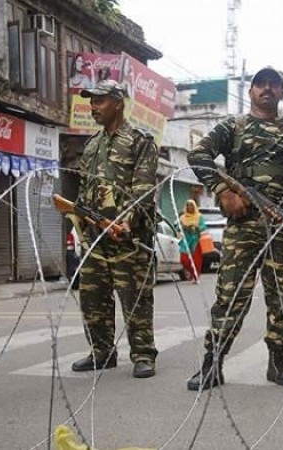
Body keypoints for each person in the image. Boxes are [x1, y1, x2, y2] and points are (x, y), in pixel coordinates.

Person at [186, 67, 283, 390]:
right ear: (251, 91)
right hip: (243, 229)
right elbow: (198, 155)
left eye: (274, 84)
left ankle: (278, 363)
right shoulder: (234, 127)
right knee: (230, 296)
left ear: (282, 92)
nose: (267, 89)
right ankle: (211, 364)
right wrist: (224, 192)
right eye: (261, 84)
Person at [71, 79, 159, 379]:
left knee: (134, 296)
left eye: (99, 101)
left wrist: (127, 221)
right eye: (91, 102)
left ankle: (144, 353)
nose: (93, 107)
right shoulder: (92, 144)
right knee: (92, 296)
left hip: (128, 237)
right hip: (96, 236)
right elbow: (85, 188)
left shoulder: (139, 140)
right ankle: (102, 352)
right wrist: (80, 218)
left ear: (118, 102)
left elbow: (144, 189)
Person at [178, 199, 207, 281]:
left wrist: (196, 227)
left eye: (191, 205)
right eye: (187, 205)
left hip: (196, 240)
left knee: (196, 260)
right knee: (184, 260)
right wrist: (182, 227)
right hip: (185, 240)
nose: (189, 207)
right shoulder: (182, 217)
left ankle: (195, 275)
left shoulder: (199, 216)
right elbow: (177, 226)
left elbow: (203, 226)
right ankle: (192, 272)